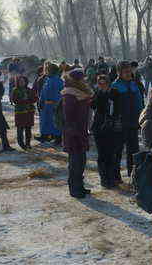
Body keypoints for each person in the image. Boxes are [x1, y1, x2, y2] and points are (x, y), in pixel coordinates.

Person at [61, 69, 94, 199]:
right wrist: (75, 133)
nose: (84, 81)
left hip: (80, 131)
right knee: (75, 163)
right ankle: (74, 189)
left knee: (81, 161)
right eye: (82, 79)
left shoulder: (80, 93)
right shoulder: (69, 95)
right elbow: (68, 117)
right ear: (77, 81)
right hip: (73, 134)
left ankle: (80, 186)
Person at [112, 61, 145, 176]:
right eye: (125, 72)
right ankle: (115, 175)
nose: (128, 74)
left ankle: (133, 174)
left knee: (134, 150)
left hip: (133, 122)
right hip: (120, 123)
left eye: (129, 71)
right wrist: (115, 121)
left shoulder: (134, 84)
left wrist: (141, 116)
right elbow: (111, 107)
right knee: (118, 151)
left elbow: (140, 102)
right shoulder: (115, 86)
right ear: (119, 73)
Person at [92, 74, 124, 189]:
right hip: (99, 128)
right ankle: (104, 179)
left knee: (111, 154)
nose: (102, 85)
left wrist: (113, 120)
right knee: (102, 154)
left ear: (108, 83)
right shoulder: (97, 93)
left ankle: (112, 178)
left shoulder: (115, 93)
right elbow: (93, 106)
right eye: (99, 83)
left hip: (111, 128)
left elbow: (118, 110)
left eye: (104, 83)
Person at [39, 62, 63, 145]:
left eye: (48, 70)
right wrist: (41, 101)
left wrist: (57, 104)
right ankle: (45, 136)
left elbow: (59, 94)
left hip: (53, 104)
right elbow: (43, 91)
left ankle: (58, 138)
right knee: (46, 121)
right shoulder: (47, 80)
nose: (46, 71)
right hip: (46, 105)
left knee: (55, 122)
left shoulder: (58, 81)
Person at [11, 75, 37, 150]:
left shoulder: (29, 90)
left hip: (29, 112)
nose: (22, 83)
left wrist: (32, 99)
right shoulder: (15, 90)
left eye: (23, 81)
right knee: (20, 129)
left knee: (28, 129)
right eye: (20, 81)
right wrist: (25, 101)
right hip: (20, 112)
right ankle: (21, 144)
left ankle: (28, 144)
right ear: (18, 82)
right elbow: (15, 100)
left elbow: (34, 98)